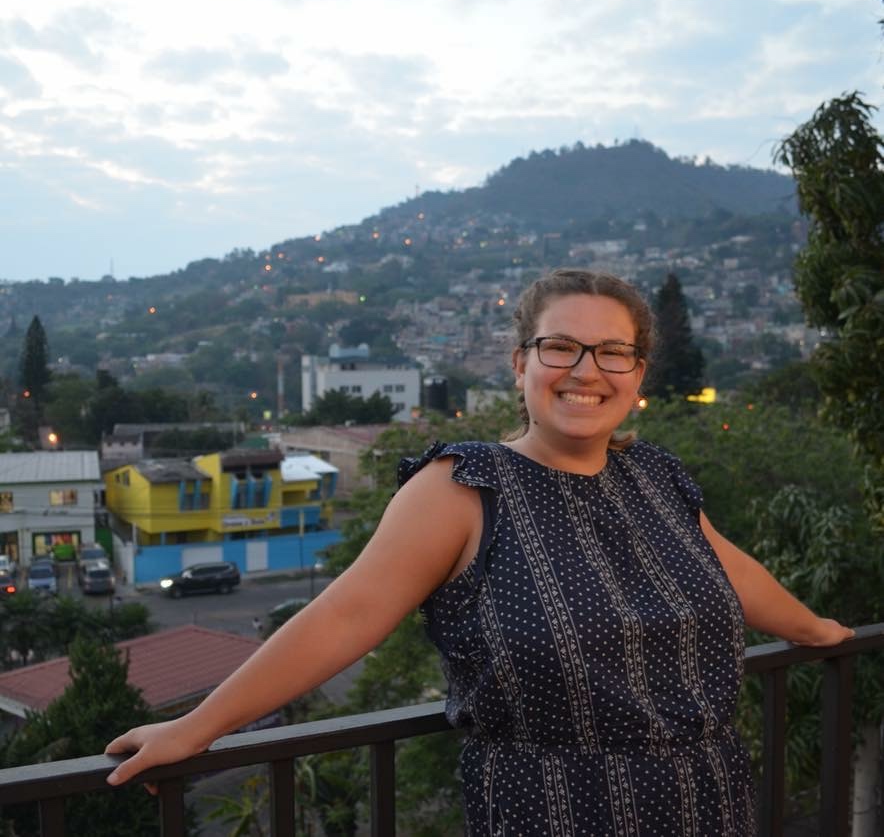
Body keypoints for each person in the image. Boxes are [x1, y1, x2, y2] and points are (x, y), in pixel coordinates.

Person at [106, 268, 853, 835]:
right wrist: (196, 728)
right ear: (520, 362)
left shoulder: (655, 476)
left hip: (708, 800)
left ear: (638, 375)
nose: (587, 370)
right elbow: (345, 617)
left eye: (614, 352)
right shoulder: (463, 486)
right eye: (562, 347)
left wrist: (815, 632)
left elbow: (728, 569)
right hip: (557, 812)